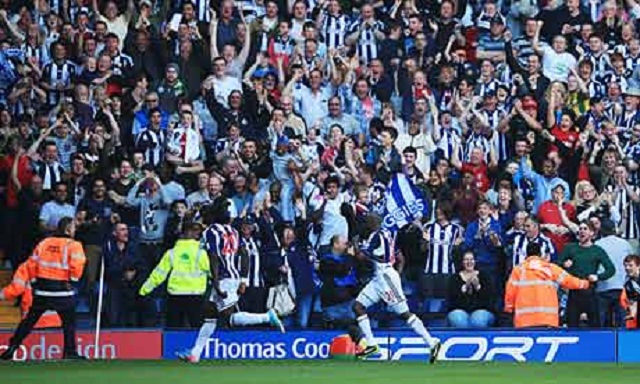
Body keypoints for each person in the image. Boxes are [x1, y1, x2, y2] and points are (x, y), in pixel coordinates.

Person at [176, 202, 285, 363]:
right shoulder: (233, 231)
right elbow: (245, 254)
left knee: (230, 318)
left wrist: (216, 283)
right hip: (232, 277)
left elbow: (213, 257)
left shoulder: (211, 232)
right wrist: (243, 279)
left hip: (224, 279)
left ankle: (267, 317)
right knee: (209, 315)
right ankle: (195, 354)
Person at [352, 214, 441, 363]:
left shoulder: (376, 236)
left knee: (404, 313)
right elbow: (395, 256)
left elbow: (363, 256)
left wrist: (355, 247)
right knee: (358, 306)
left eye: (369, 221)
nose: (367, 223)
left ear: (374, 223)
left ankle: (432, 343)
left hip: (386, 276)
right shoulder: (386, 233)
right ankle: (372, 345)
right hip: (379, 277)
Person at [0, 217, 86, 360]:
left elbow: (32, 264)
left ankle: (13, 346)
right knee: (69, 322)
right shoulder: (74, 245)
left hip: (42, 290)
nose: (75, 230)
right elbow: (77, 265)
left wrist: (35, 282)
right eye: (73, 227)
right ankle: (69, 352)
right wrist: (73, 280)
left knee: (29, 321)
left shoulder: (44, 243)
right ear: (67, 229)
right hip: (62, 291)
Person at [139, 220, 209, 329]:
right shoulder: (201, 253)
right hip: (196, 295)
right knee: (197, 330)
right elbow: (211, 272)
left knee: (174, 330)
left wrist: (144, 290)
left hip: (175, 295)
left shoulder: (171, 253)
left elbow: (158, 274)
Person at [505, 242, 590, 328]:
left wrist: (509, 308)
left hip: (524, 321)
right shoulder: (550, 268)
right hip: (547, 320)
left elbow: (510, 292)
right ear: (540, 254)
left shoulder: (518, 270)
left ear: (526, 254)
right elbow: (569, 281)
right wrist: (585, 283)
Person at [558, 221, 616, 327]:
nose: (581, 231)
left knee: (594, 325)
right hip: (574, 292)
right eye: (580, 229)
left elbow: (611, 269)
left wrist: (598, 277)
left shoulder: (597, 250)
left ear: (592, 233)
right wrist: (564, 264)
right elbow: (557, 264)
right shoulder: (570, 248)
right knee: (572, 325)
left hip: (590, 292)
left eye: (585, 229)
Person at [595, 220, 633, 328]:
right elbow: (632, 262)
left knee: (603, 325)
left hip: (603, 287)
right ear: (614, 230)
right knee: (621, 323)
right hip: (621, 287)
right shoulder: (625, 244)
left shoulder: (597, 244)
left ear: (601, 230)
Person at [447, 251, 496, 328]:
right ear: (462, 262)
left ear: (475, 261)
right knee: (459, 321)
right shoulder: (454, 278)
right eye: (466, 259)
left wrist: (478, 287)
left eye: (471, 259)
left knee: (478, 321)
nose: (469, 262)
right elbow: (451, 301)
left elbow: (490, 299)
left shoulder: (484, 276)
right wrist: (464, 288)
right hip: (459, 310)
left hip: (481, 310)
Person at [620, 254, 640, 329]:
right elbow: (633, 300)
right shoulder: (628, 284)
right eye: (625, 265)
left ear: (638, 266)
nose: (627, 268)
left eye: (630, 265)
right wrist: (632, 314)